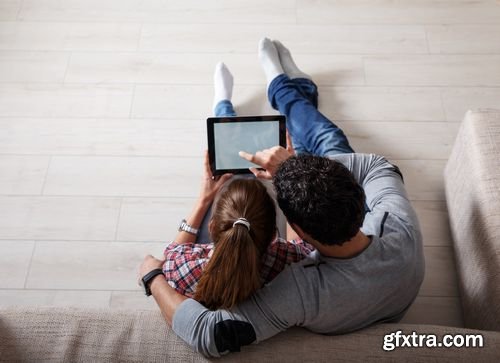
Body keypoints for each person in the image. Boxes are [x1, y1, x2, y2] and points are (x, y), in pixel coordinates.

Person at [139, 38, 425, 357]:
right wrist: (293, 167)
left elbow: (210, 334)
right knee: (329, 140)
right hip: (385, 297)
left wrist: (152, 277)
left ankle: (240, 103)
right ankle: (285, 86)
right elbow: (379, 165)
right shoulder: (397, 225)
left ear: (296, 230)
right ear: (358, 198)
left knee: (241, 181)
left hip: (336, 296)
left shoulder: (302, 290)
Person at [156, 63, 314, 310]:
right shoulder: (291, 262)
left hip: (211, 253)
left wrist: (203, 199)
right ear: (275, 234)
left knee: (229, 169)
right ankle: (226, 105)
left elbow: (174, 251)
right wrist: (286, 179)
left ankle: (223, 105)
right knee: (249, 168)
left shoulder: (181, 269)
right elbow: (301, 245)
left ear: (211, 228)